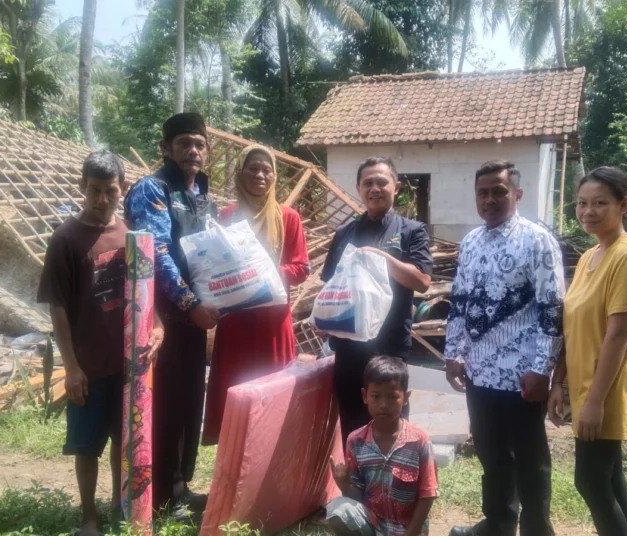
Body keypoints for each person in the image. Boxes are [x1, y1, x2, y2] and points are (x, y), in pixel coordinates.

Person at [38, 151, 163, 535]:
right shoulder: (65, 239)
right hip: (88, 367)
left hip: (127, 367)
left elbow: (145, 291)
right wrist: (72, 367)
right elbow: (57, 309)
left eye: (111, 191)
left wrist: (158, 327)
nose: (102, 199)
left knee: (122, 440)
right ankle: (89, 514)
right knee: (86, 445)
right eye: (94, 190)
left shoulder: (130, 234)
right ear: (82, 187)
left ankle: (117, 504)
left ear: (122, 189)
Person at [444, 160, 565, 536]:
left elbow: (552, 308)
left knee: (530, 461)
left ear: (517, 194)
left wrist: (542, 369)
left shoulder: (537, 240)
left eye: (499, 190)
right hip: (479, 374)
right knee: (492, 456)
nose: (490, 199)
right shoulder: (470, 242)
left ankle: (535, 529)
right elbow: (460, 302)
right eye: (483, 192)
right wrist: (453, 353)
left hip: (521, 378)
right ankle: (497, 524)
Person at [548, 167, 627, 536]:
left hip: (605, 389)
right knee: (608, 478)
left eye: (600, 203)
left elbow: (618, 335)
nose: (588, 211)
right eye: (582, 203)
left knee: (590, 481)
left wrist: (594, 401)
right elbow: (571, 325)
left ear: (624, 205)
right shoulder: (591, 255)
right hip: (585, 386)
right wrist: (558, 382)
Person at [124, 112, 219, 518]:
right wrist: (190, 304)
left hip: (194, 319)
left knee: (187, 404)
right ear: (165, 148)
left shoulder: (201, 192)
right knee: (161, 404)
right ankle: (161, 492)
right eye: (183, 143)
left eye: (198, 143)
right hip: (159, 320)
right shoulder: (153, 188)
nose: (192, 150)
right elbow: (157, 254)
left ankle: (180, 487)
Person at [202, 144, 310, 445]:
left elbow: (301, 267)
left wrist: (263, 274)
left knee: (272, 394)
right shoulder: (226, 217)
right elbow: (213, 264)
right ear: (240, 172)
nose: (260, 174)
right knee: (234, 394)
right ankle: (234, 469)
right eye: (253, 168)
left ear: (274, 175)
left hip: (273, 325)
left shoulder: (287, 218)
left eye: (267, 169)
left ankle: (269, 471)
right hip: (236, 323)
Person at [321, 157, 432, 444]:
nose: (375, 188)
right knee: (353, 427)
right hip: (347, 349)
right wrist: (321, 319)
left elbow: (421, 281)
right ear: (358, 189)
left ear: (395, 187)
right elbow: (330, 285)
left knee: (389, 426)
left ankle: (392, 487)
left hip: (389, 348)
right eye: (367, 183)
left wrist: (380, 257)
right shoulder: (344, 233)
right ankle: (357, 488)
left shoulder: (411, 231)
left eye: (381, 182)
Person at [327, 356, 439, 536]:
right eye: (376, 396)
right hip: (373, 525)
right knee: (338, 509)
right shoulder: (355, 441)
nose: (384, 405)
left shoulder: (419, 441)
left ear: (406, 398)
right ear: (365, 396)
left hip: (409, 529)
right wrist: (345, 485)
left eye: (393, 397)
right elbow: (358, 498)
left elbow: (428, 495)